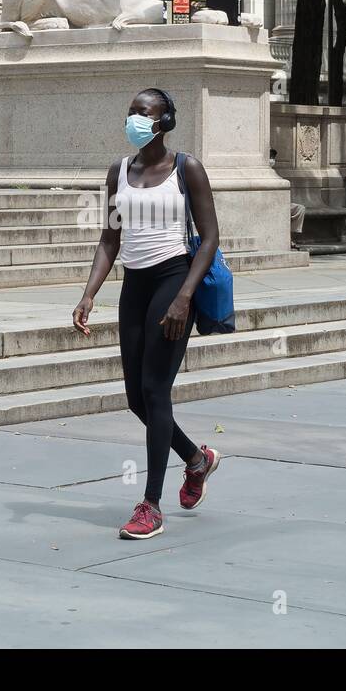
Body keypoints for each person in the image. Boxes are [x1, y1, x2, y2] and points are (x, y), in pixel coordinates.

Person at [72, 88, 223, 540]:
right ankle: (196, 460)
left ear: (164, 121)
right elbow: (109, 239)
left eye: (144, 112)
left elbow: (211, 237)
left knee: (156, 391)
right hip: (135, 287)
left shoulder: (186, 168)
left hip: (174, 281)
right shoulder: (120, 170)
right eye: (131, 111)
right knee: (137, 397)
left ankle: (150, 504)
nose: (134, 118)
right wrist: (88, 294)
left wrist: (184, 297)